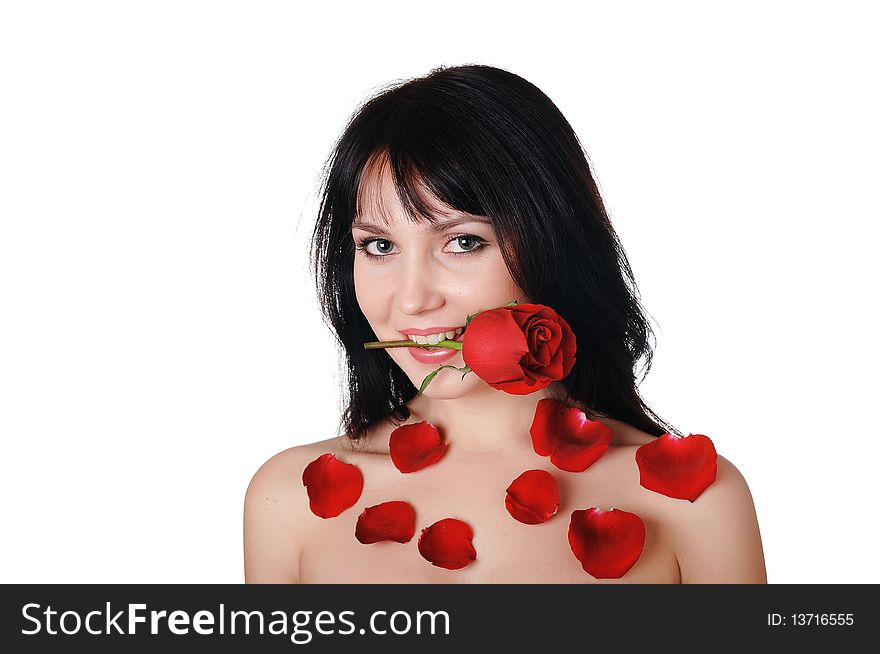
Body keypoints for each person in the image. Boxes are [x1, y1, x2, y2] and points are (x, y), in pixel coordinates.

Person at [243, 64, 767, 583]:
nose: (411, 299)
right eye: (379, 246)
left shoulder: (697, 502)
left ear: (552, 243)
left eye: (463, 242)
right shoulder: (286, 501)